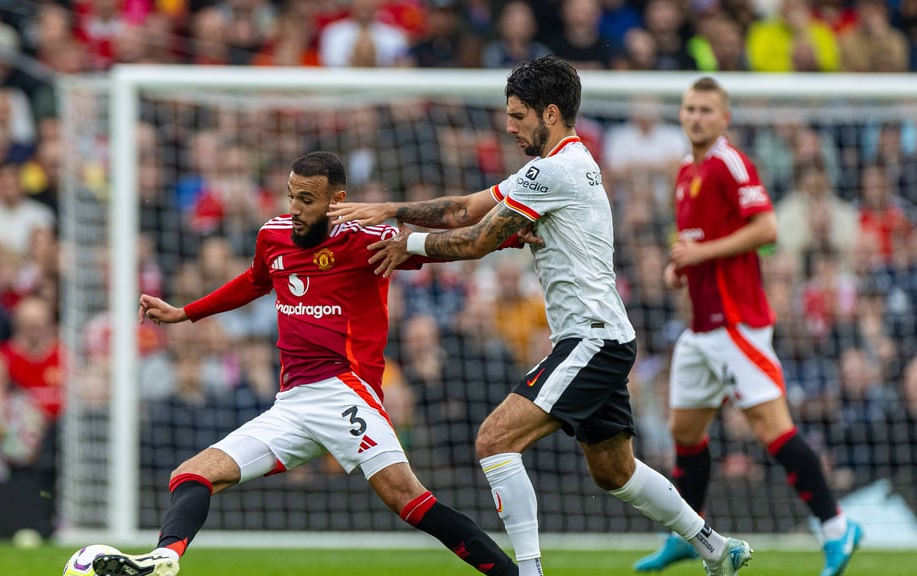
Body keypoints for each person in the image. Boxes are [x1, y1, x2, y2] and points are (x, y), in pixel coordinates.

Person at [329, 56, 751, 576]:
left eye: (517, 115)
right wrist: (393, 208)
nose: (509, 127)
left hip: (591, 340)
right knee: (614, 472)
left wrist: (406, 244)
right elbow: (466, 209)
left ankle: (528, 572)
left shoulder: (551, 171)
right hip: (603, 337)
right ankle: (716, 547)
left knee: (494, 440)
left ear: (549, 113)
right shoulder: (567, 164)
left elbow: (476, 239)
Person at [92, 151, 520, 576]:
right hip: (293, 404)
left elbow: (449, 247)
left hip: (346, 390)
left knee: (409, 501)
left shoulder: (366, 240)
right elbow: (256, 280)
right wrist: (186, 312)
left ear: (337, 200)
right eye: (291, 196)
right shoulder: (272, 235)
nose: (295, 209)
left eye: (307, 200)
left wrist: (511, 236)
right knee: (191, 474)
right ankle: (165, 557)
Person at [632, 77, 862, 576]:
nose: (695, 117)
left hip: (739, 324)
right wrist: (681, 268)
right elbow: (699, 242)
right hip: (702, 328)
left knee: (773, 430)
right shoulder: (683, 172)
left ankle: (838, 527)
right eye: (689, 108)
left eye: (705, 110)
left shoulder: (730, 164)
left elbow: (767, 229)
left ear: (724, 118)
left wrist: (700, 253)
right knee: (684, 431)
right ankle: (688, 533)